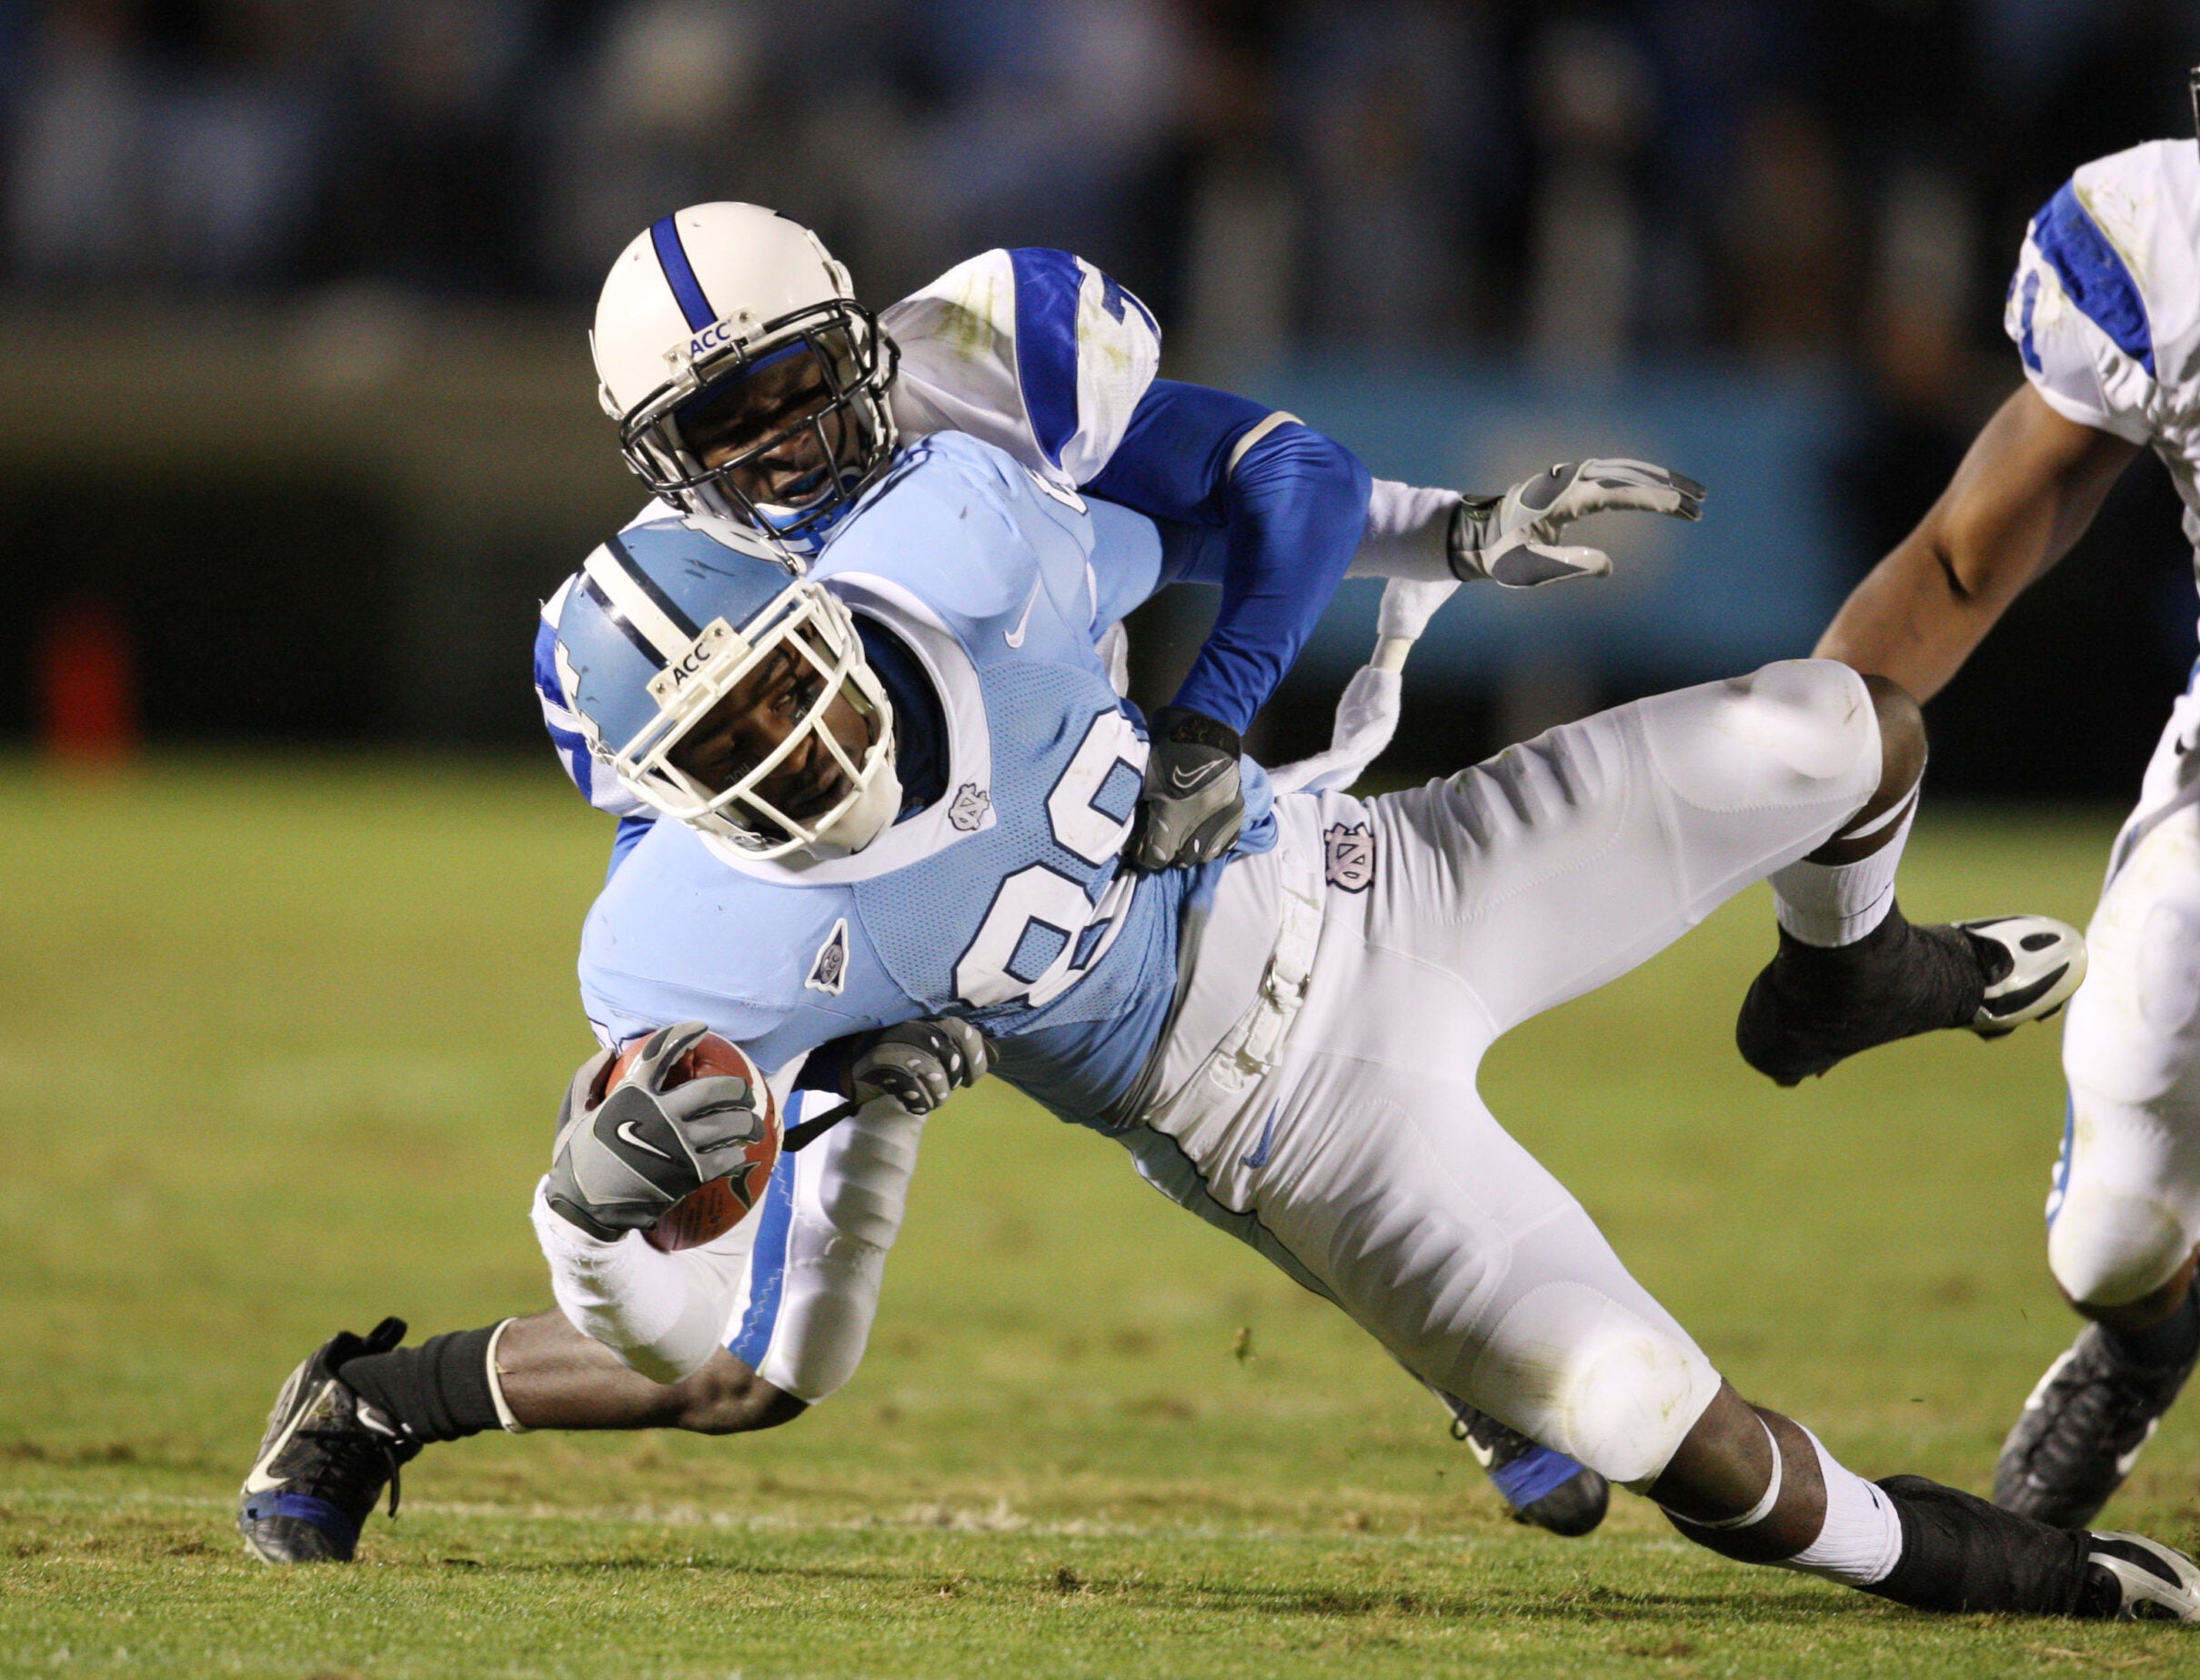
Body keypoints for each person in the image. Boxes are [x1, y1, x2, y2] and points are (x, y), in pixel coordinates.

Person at [245, 406, 2195, 1615]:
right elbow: (668, 1310)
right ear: (649, 799)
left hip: (1402, 876)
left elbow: (1250, 494)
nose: (782, 737)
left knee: (1836, 722)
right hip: (1297, 1126)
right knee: (1640, 1418)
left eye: (774, 678)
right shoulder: (687, 947)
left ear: (818, 596)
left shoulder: (955, 539)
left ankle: (1843, 966)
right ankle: (1990, 1570)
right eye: (719, 742)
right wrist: (589, 1219)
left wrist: (1446, 534)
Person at [540, 200, 1702, 1533]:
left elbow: (1271, 480)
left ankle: (1475, 1356)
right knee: (781, 1359)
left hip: (1079, 818)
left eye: (792, 384)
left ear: (854, 339)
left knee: (1247, 1103)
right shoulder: (667, 606)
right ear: (661, 458)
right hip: (858, 919)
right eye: (720, 426)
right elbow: (679, 842)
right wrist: (832, 1044)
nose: (778, 441)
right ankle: (384, 1403)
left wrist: (1235, 703)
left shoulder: (977, 390)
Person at [1811, 0, 2200, 1531]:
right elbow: (1972, 558)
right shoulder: (2162, 238)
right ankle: (2153, 1330)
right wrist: (1799, 761)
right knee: (2106, 1237)